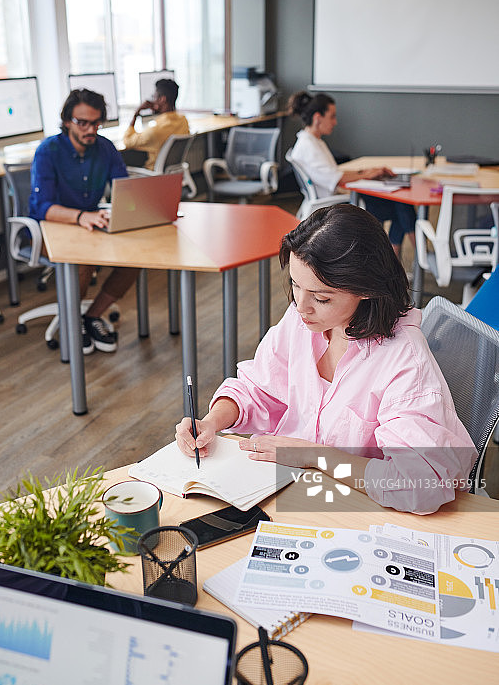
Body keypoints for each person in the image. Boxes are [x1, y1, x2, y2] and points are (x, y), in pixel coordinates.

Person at [176, 205, 477, 514]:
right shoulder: (305, 319)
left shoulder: (404, 360)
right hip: (286, 492)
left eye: (321, 298)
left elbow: (420, 486)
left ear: (367, 290)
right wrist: (212, 422)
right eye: (295, 285)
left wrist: (315, 456)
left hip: (358, 510)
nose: (300, 306)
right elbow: (259, 388)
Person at [29, 88, 140, 355]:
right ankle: (71, 323)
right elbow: (41, 206)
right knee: (82, 259)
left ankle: (90, 316)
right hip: (52, 227)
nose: (90, 129)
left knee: (136, 256)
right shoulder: (48, 150)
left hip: (91, 223)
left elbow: (123, 189)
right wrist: (81, 217)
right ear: (67, 121)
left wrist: (135, 211)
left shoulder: (105, 148)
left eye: (96, 122)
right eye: (83, 123)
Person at [288, 91, 416, 258]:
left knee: (400, 204)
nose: (335, 122)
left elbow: (334, 173)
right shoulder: (309, 147)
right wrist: (367, 174)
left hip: (336, 199)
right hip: (335, 204)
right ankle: (419, 257)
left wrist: (368, 173)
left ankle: (399, 260)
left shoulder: (311, 141)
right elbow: (336, 178)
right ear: (318, 117)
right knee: (401, 206)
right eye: (332, 116)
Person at [123, 77, 190, 170]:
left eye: (154, 96)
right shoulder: (183, 121)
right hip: (175, 174)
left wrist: (136, 113)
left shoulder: (155, 130)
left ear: (162, 99)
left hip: (154, 176)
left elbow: (127, 142)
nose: (153, 100)